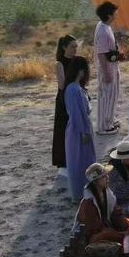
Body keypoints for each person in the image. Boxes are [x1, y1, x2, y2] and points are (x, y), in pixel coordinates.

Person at [63, 56, 97, 201]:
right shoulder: (73, 89)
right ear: (81, 70)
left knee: (87, 161)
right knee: (78, 162)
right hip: (78, 130)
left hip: (83, 127)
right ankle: (79, 194)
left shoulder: (78, 88)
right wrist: (83, 132)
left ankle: (88, 192)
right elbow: (76, 113)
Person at [73, 164, 129, 245]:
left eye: (107, 175)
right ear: (95, 182)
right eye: (103, 177)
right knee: (105, 234)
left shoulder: (107, 193)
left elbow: (116, 212)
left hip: (105, 227)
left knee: (128, 223)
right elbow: (93, 228)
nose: (107, 178)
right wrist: (112, 230)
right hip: (90, 236)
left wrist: (123, 221)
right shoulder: (88, 203)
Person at [93, 1, 123, 135]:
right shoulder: (103, 31)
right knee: (106, 97)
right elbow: (101, 54)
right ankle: (103, 126)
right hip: (107, 67)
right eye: (114, 12)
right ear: (109, 15)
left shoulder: (104, 26)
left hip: (112, 65)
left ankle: (109, 119)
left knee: (113, 95)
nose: (116, 13)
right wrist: (107, 73)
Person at [52, 35, 78, 175]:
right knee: (64, 130)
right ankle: (64, 162)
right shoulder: (59, 64)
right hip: (65, 100)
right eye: (72, 47)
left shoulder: (77, 61)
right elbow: (62, 85)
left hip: (77, 97)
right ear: (64, 47)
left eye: (76, 47)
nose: (75, 49)